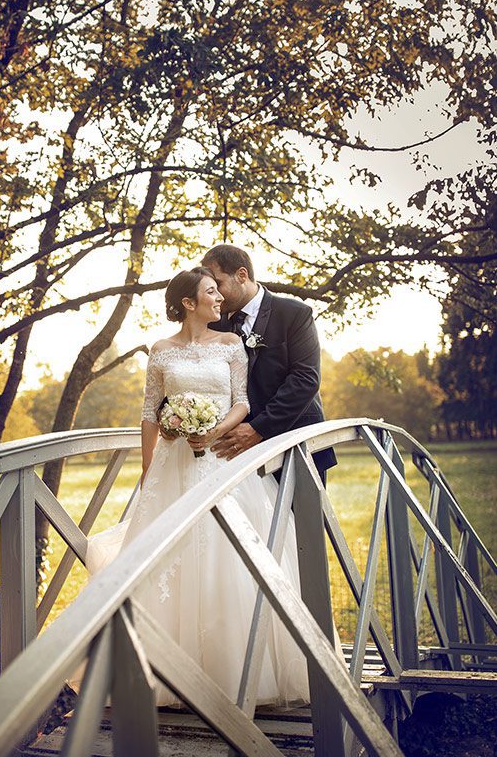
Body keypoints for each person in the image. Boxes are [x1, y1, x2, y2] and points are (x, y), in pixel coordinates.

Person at [85, 265, 310, 708]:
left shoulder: (231, 345)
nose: (219, 298)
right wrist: (151, 468)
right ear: (189, 303)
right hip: (173, 466)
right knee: (167, 557)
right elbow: (151, 411)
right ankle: (163, 670)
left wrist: (211, 431)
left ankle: (233, 673)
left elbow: (242, 402)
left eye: (218, 290)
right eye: (211, 292)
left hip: (219, 461)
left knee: (228, 557)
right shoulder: (161, 350)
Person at [201, 244, 336, 484]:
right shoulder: (213, 324)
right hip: (234, 454)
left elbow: (305, 379)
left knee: (303, 522)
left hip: (297, 443)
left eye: (218, 284)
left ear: (242, 275)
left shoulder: (295, 314)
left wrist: (259, 429)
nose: (216, 296)